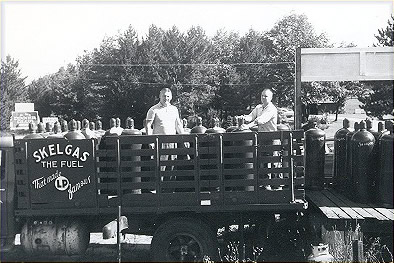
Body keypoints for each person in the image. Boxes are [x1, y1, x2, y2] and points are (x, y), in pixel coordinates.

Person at [145, 88, 184, 174]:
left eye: (168, 96)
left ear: (171, 97)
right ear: (160, 96)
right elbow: (148, 125)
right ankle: (158, 187)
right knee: (160, 170)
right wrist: (150, 141)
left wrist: (184, 138)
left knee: (172, 170)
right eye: (164, 96)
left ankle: (171, 187)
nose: (166, 98)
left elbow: (178, 125)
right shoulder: (153, 109)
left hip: (173, 142)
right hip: (160, 143)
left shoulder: (174, 109)